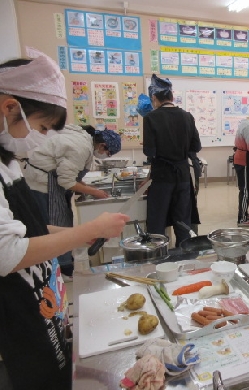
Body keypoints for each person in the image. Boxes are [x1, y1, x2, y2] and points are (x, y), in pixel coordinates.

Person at [0, 50, 128, 389]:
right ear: (9, 107)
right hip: (17, 309)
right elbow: (8, 253)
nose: (41, 138)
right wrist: (90, 229)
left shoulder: (8, 162)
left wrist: (74, 233)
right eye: (41, 127)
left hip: (42, 298)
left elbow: (28, 230)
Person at [24, 125, 121, 279]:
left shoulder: (84, 142)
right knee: (51, 224)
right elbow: (66, 181)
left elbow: (70, 175)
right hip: (42, 185)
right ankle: (55, 268)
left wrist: (87, 187)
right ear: (102, 145)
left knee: (63, 221)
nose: (104, 156)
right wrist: (94, 192)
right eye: (107, 153)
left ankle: (64, 264)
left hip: (49, 183)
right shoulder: (81, 147)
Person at [143, 74, 201, 246]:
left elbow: (149, 151)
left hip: (161, 177)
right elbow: (195, 147)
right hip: (183, 175)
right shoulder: (187, 116)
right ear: (172, 96)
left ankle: (157, 258)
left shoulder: (151, 118)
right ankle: (184, 257)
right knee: (183, 220)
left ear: (154, 98)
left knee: (157, 222)